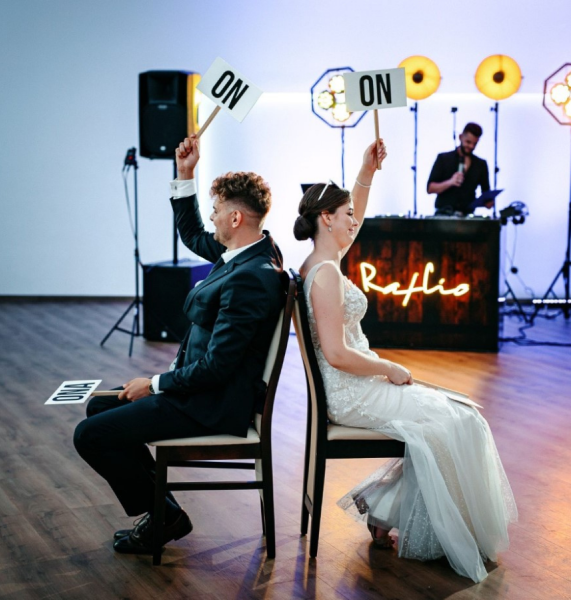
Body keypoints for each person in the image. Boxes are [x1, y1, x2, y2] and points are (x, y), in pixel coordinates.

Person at [294, 139, 516, 582]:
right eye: (347, 215)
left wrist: (366, 170)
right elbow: (336, 354)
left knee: (458, 414)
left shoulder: (323, 259)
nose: (355, 222)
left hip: (358, 383)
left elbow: (354, 215)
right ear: (326, 218)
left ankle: (381, 509)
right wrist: (389, 368)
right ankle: (404, 518)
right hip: (351, 392)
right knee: (459, 421)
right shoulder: (325, 274)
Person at [74, 135, 285, 555]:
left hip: (210, 403)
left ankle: (163, 517)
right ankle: (164, 513)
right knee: (99, 407)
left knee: (89, 435)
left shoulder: (250, 276)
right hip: (201, 390)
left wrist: (154, 384)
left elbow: (217, 368)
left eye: (216, 210)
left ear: (236, 217)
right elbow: (191, 233)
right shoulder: (248, 251)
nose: (212, 218)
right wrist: (184, 174)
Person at [427, 122, 491, 216]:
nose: (471, 146)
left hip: (468, 216)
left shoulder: (481, 164)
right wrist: (450, 182)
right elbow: (430, 188)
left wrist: (488, 202)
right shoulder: (443, 159)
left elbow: (486, 193)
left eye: (475, 144)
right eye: (468, 142)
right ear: (460, 137)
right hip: (443, 214)